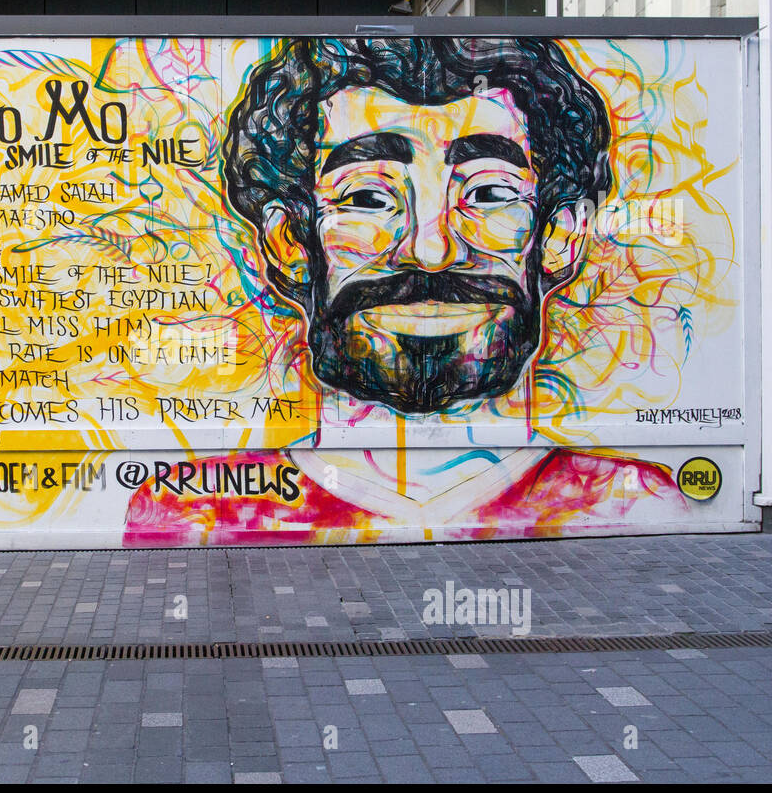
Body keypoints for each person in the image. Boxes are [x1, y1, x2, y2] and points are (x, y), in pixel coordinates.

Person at [125, 37, 687, 545]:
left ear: (561, 234)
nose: (431, 249)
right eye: (367, 199)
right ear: (290, 240)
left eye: (490, 192)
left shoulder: (633, 506)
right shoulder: (194, 514)